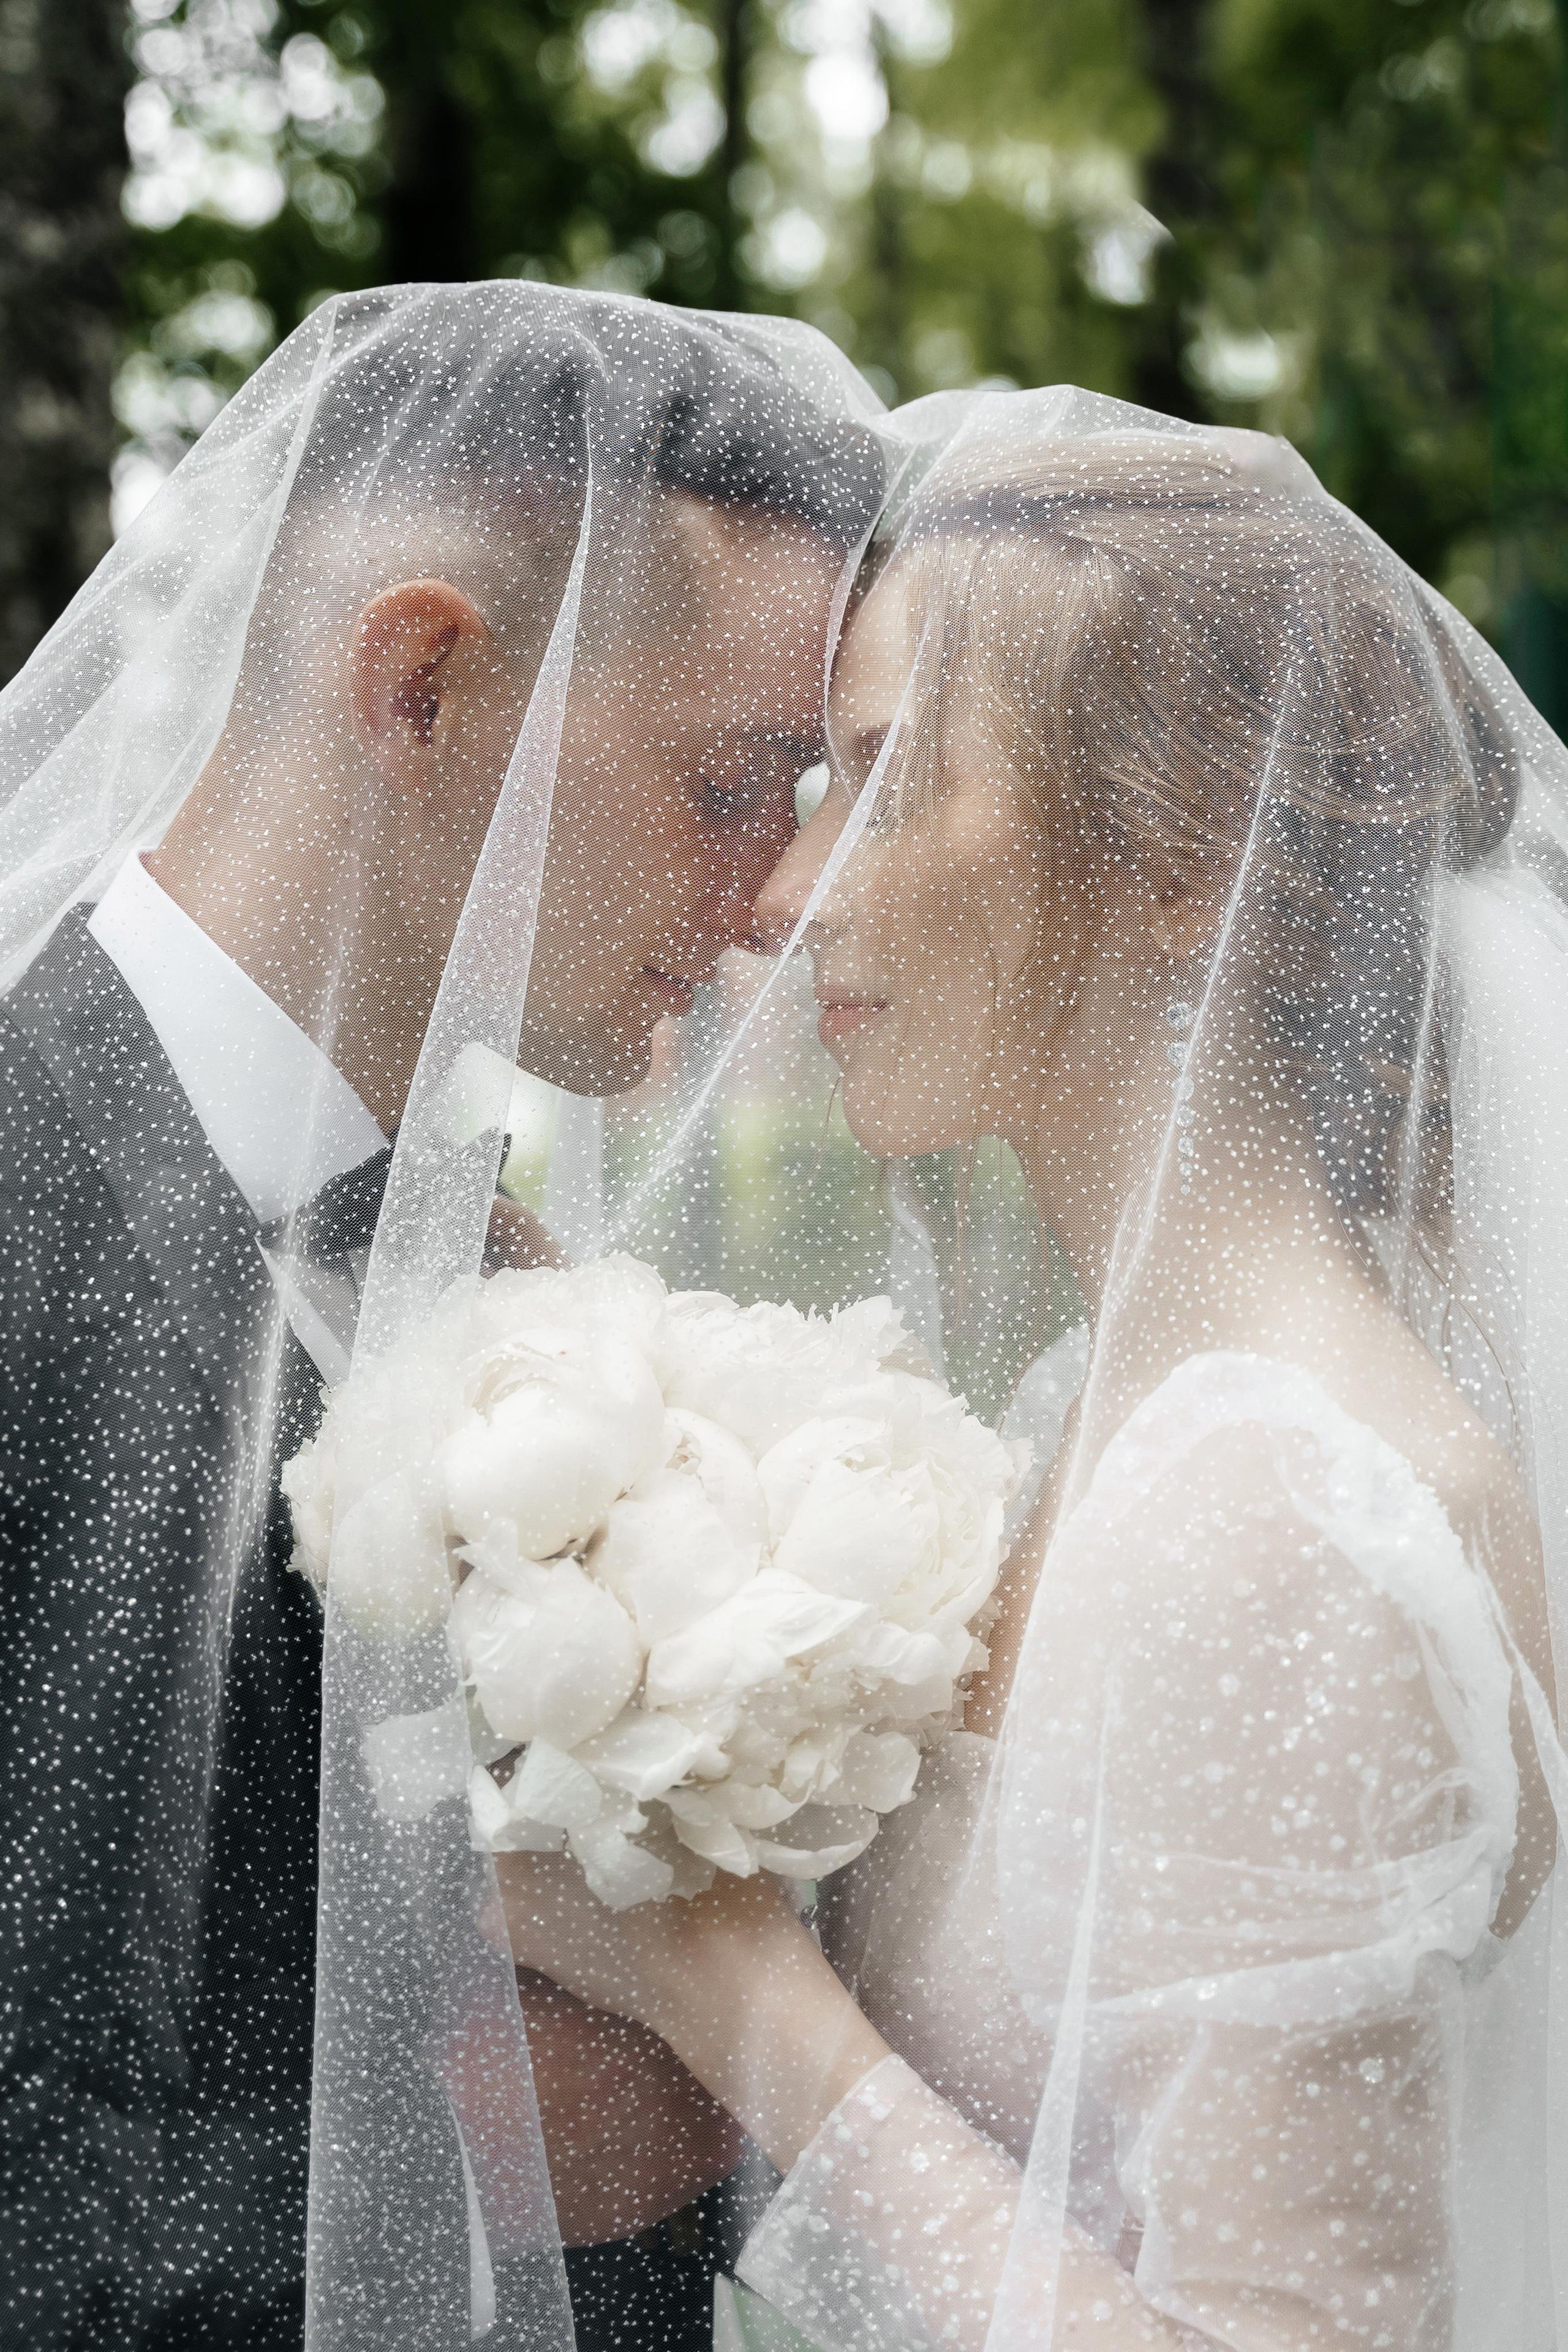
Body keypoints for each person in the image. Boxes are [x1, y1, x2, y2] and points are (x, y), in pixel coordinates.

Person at [500, 402, 1568, 2348]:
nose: (781, 889)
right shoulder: (1117, 1397)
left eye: (889, 790)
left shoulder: (1277, 1515)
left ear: (1183, 867)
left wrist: (731, 2000)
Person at [0, 282, 883, 2350]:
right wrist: (438, 2147)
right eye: (739, 780)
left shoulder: (512, 1272)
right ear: (422, 686)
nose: (776, 892)